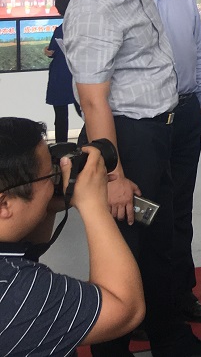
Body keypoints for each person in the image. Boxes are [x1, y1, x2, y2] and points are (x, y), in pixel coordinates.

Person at [64, 0, 201, 357]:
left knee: (160, 243)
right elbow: (93, 101)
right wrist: (114, 176)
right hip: (126, 141)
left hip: (158, 135)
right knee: (125, 251)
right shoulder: (95, 9)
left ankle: (171, 340)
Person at [0, 118, 145, 356]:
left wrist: (46, 205)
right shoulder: (20, 291)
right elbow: (125, 308)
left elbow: (27, 251)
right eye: (49, 176)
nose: (55, 180)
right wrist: (93, 205)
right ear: (4, 204)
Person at [145, 0, 201, 326]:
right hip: (146, 121)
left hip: (187, 111)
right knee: (147, 213)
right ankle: (146, 305)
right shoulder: (128, 0)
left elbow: (200, 50)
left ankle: (181, 293)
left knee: (180, 209)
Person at [44, 0, 80, 143]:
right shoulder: (83, 26)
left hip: (60, 75)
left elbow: (51, 52)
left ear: (59, 10)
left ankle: (61, 148)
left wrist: (46, 51)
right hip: (78, 75)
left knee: (60, 116)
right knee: (86, 112)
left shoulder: (60, 29)